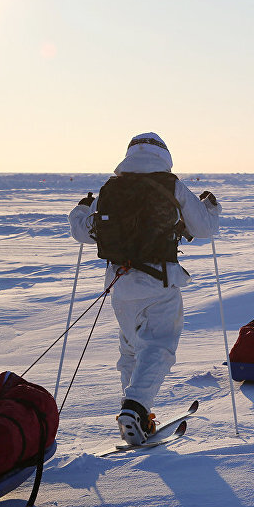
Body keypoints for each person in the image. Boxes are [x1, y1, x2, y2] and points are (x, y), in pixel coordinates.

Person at [68, 132, 220, 444]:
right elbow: (203, 228)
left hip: (119, 283)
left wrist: (81, 210)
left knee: (132, 348)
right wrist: (211, 208)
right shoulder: (171, 185)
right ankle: (136, 408)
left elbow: (84, 232)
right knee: (159, 347)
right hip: (158, 280)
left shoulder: (111, 188)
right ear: (164, 155)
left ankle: (138, 416)